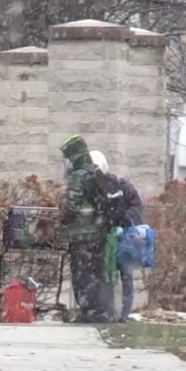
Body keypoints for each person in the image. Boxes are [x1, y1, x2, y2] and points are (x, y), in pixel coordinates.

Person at [59, 135, 114, 323]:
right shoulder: (97, 173)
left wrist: (64, 213)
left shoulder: (78, 176)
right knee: (99, 273)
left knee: (82, 275)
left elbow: (71, 205)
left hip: (82, 235)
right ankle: (103, 310)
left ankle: (87, 311)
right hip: (100, 233)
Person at [90, 150, 145, 323]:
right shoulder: (98, 190)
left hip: (122, 238)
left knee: (123, 276)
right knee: (110, 275)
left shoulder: (121, 187)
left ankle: (123, 314)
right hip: (108, 239)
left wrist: (123, 220)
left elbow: (136, 209)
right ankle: (110, 312)